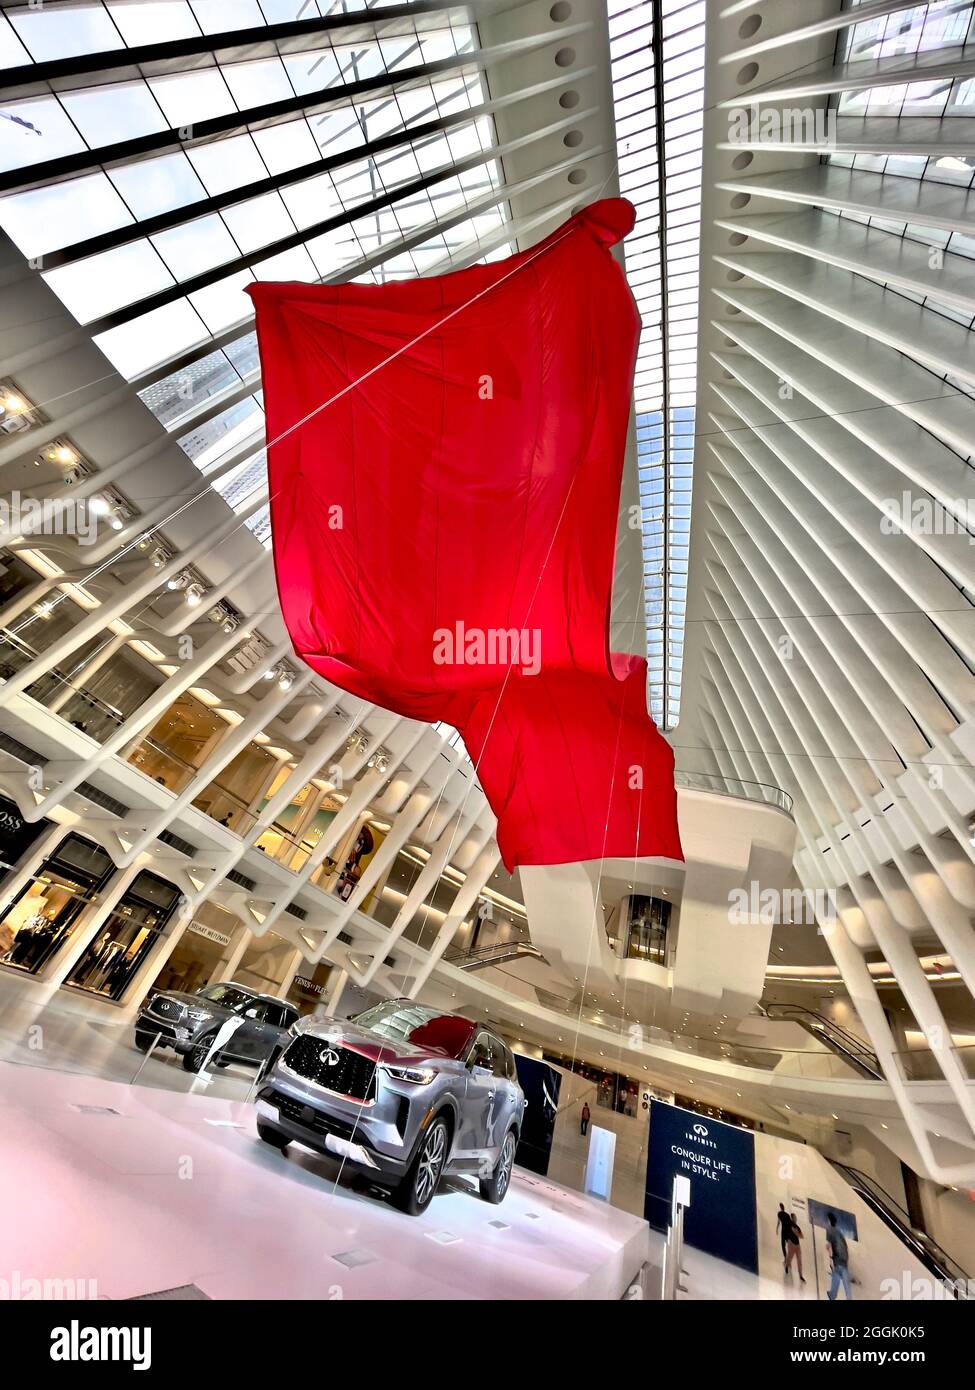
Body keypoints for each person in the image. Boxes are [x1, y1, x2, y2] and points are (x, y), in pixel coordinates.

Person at [826, 1212, 851, 1300]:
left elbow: (830, 1247)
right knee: (843, 1282)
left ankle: (832, 1295)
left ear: (829, 1221)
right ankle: (834, 1295)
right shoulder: (839, 1232)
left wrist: (830, 1260)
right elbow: (845, 1246)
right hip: (844, 1259)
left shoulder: (829, 1230)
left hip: (837, 1259)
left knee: (836, 1275)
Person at [784, 1214, 806, 1283]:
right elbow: (786, 1232)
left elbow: (802, 1236)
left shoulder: (797, 1227)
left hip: (797, 1245)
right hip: (791, 1244)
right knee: (790, 1257)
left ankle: (800, 1275)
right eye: (795, 1218)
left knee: (799, 1260)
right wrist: (786, 1240)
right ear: (792, 1218)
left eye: (796, 1217)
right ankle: (786, 1265)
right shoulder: (789, 1225)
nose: (796, 1219)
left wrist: (797, 1233)